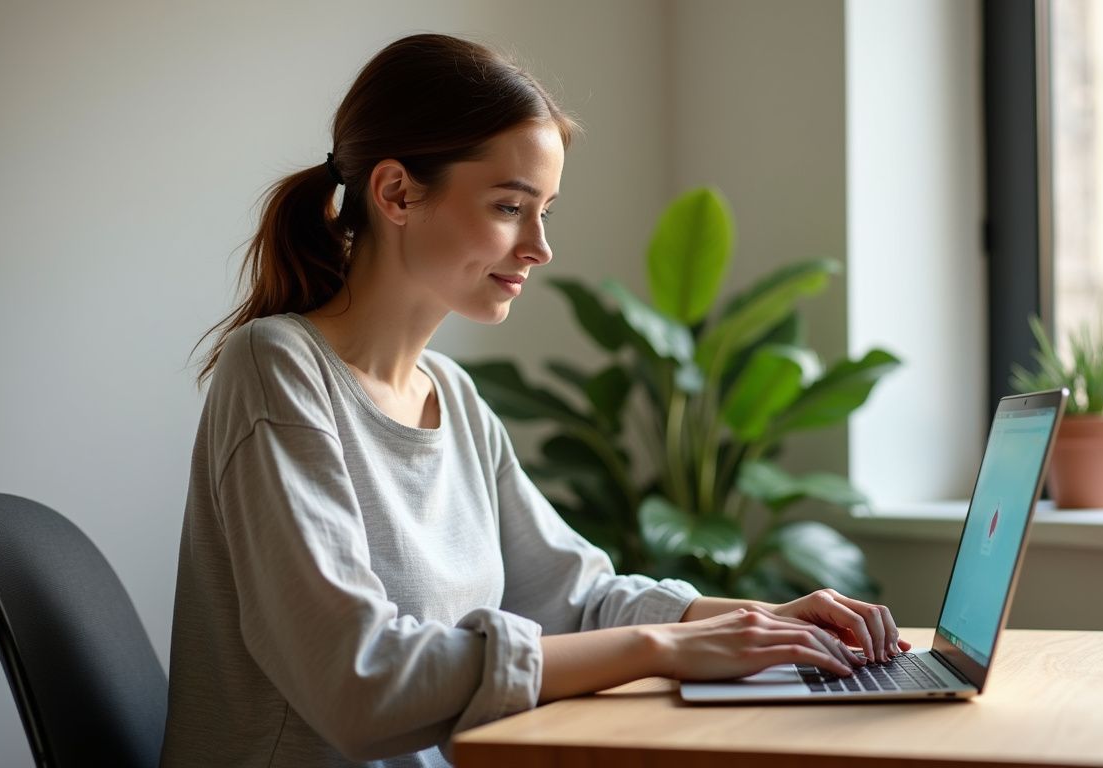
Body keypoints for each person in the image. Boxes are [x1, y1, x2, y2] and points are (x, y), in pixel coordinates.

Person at [162, 32, 909, 768]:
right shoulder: (274, 367)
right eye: (509, 206)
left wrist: (756, 619)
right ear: (395, 192)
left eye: (544, 211)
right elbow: (360, 683)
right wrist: (664, 647)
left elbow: (573, 595)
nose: (539, 249)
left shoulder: (451, 395)